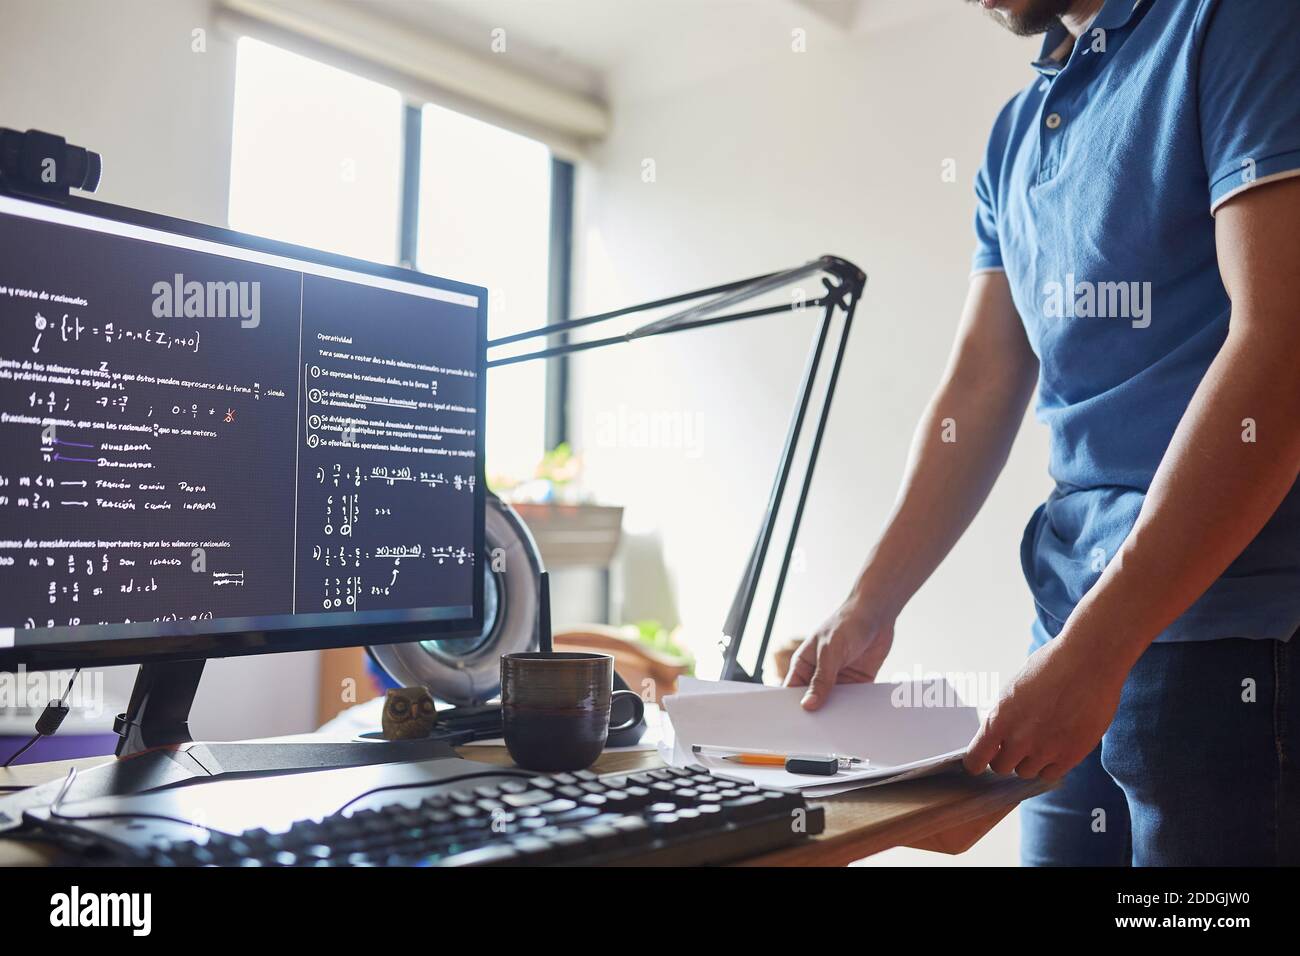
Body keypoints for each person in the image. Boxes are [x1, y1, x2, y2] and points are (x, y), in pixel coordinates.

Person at [786, 0, 1300, 865]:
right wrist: (867, 604)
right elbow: (980, 386)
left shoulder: (1238, 21)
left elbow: (1282, 345)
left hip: (1226, 636)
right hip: (1070, 630)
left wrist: (1102, 644)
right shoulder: (1014, 134)